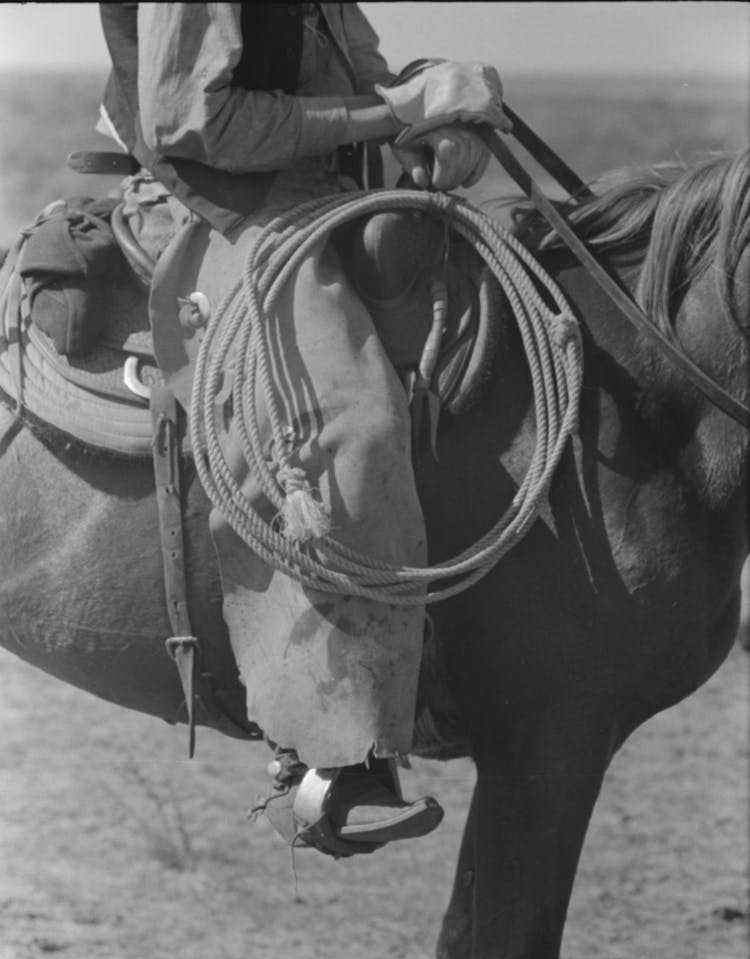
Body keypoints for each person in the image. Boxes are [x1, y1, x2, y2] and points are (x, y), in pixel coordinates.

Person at [97, 2, 510, 857]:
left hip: (324, 188)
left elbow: (354, 76)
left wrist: (447, 107)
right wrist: (394, 113)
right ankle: (332, 756)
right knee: (350, 430)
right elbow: (198, 122)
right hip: (226, 203)